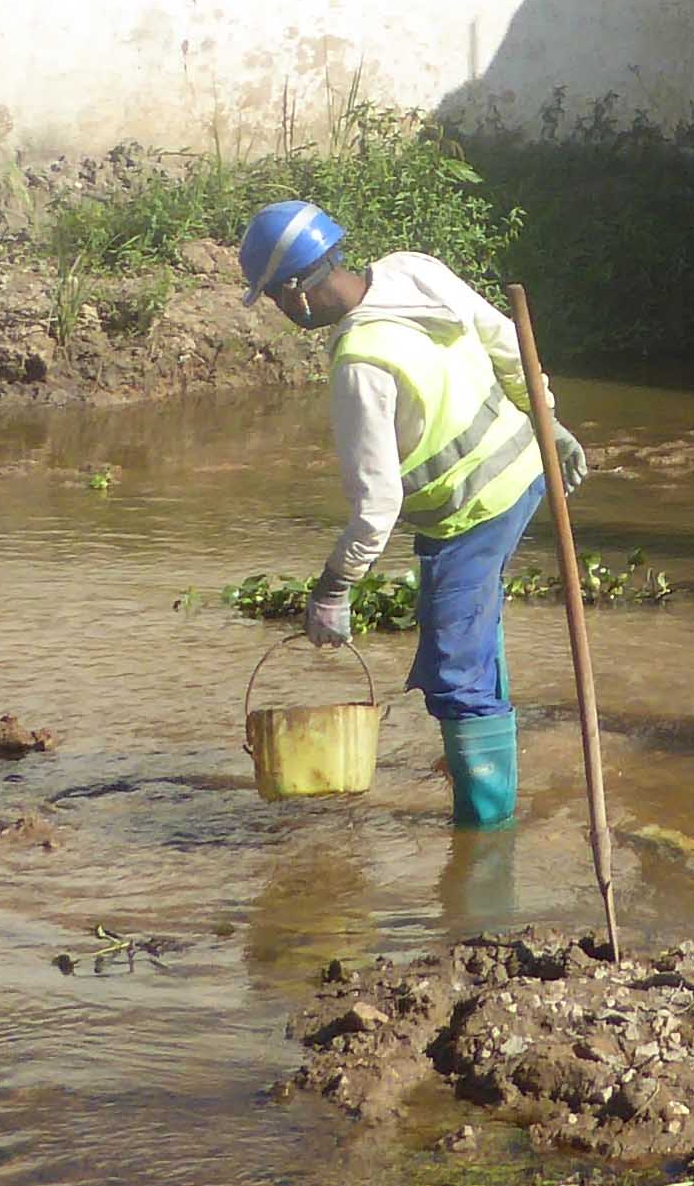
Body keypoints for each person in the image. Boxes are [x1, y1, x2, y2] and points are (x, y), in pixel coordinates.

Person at [237, 202, 585, 829]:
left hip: (471, 514)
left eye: (275, 300)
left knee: (454, 670)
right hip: (527, 474)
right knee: (471, 627)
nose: (283, 315)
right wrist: (547, 419)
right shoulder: (412, 271)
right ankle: (483, 760)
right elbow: (507, 339)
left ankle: (485, 831)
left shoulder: (360, 367)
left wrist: (334, 588)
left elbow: (377, 508)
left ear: (296, 293)